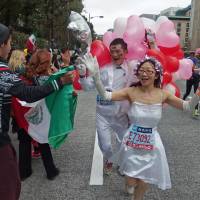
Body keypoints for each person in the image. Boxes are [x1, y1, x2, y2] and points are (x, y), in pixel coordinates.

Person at [80, 54, 200, 200]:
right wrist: (96, 76)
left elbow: (187, 106)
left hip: (152, 144)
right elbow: (106, 95)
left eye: (149, 71)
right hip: (131, 143)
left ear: (156, 75)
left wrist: (198, 93)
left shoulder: (163, 94)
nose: (144, 74)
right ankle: (129, 184)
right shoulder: (131, 92)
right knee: (131, 180)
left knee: (144, 180)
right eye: (142, 70)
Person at [0, 23, 73, 200]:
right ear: (2, 44)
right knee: (8, 187)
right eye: (9, 42)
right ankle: (48, 171)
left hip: (19, 121)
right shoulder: (3, 72)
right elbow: (29, 94)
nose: (10, 47)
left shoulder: (21, 73)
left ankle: (26, 170)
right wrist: (60, 82)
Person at [78, 38, 138, 174]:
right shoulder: (102, 68)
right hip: (102, 114)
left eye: (118, 50)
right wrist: (82, 75)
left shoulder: (132, 69)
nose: (115, 53)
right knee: (105, 145)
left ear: (126, 51)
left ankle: (122, 163)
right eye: (112, 51)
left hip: (121, 114)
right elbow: (87, 87)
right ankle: (109, 159)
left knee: (124, 142)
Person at [183, 50, 200, 117]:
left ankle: (196, 110)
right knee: (187, 92)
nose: (192, 55)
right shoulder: (188, 59)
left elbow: (196, 70)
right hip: (190, 79)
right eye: (191, 54)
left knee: (196, 95)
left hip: (197, 79)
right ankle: (182, 102)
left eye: (193, 54)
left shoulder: (197, 60)